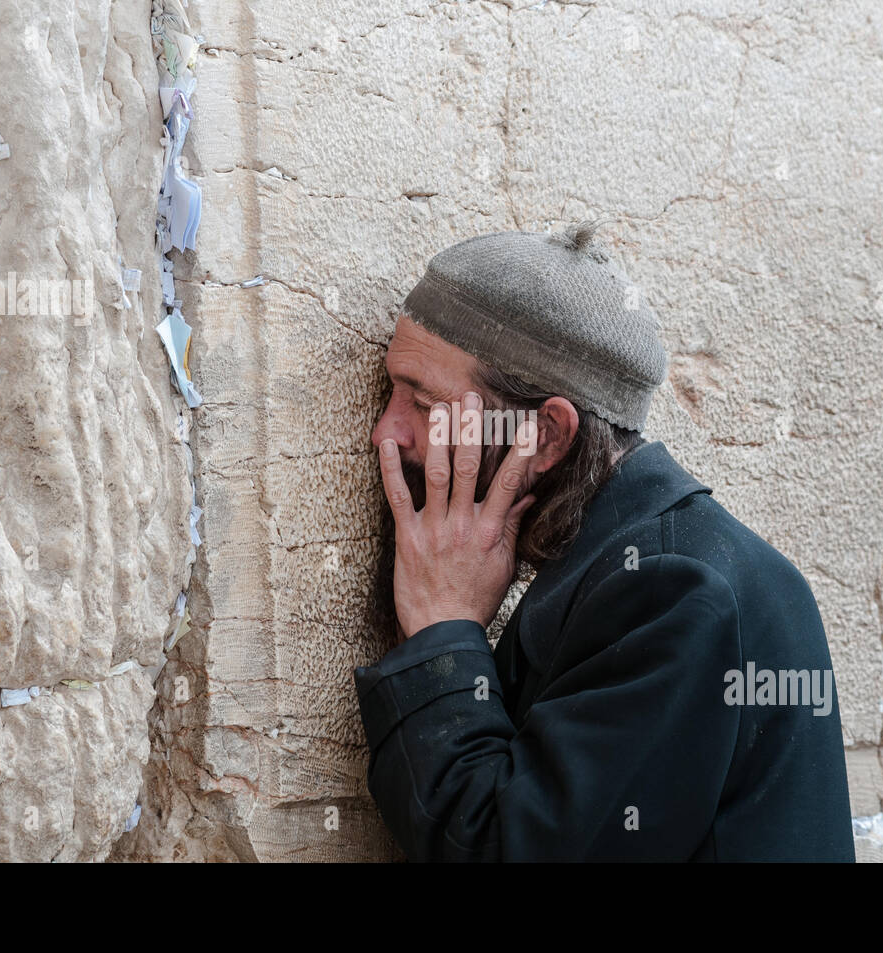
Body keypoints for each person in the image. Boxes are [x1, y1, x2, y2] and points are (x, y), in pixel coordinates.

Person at [353, 220, 855, 861]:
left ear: (548, 437)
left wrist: (441, 630)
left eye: (422, 404)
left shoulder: (675, 593)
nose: (385, 433)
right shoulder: (638, 563)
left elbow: (507, 849)